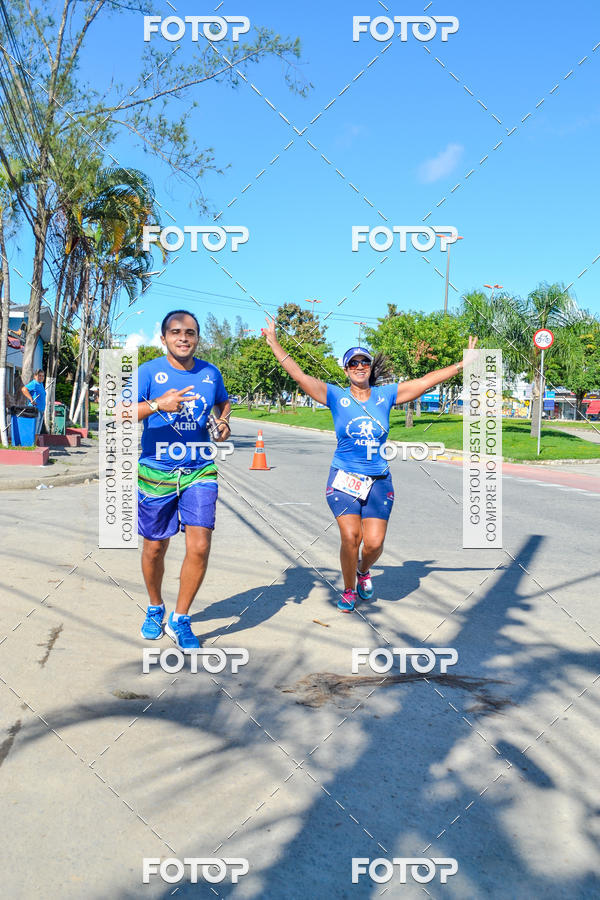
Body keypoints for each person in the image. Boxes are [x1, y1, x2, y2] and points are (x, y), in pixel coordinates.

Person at [263, 317, 478, 612]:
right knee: (351, 536)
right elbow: (299, 375)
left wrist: (462, 365)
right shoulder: (335, 396)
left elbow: (426, 381)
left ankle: (363, 570)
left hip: (378, 480)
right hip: (344, 478)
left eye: (364, 361)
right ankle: (348, 589)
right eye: (353, 363)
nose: (359, 366)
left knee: (374, 544)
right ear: (346, 369)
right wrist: (275, 343)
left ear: (369, 367)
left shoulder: (385, 396)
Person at [135, 310, 231, 650]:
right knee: (154, 547)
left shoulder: (210, 372)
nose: (183, 338)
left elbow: (223, 402)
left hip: (199, 469)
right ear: (163, 338)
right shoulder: (148, 372)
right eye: (176, 332)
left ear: (197, 338)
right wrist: (158, 405)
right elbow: (117, 412)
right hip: (156, 470)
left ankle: (181, 618)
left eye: (190, 332)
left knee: (200, 545)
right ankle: (155, 607)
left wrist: (223, 422)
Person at [21, 369, 46, 435]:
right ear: (35, 376)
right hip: (35, 410)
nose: (41, 377)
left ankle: (35, 441)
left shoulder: (41, 384)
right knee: (33, 430)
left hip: (41, 410)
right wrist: (31, 399)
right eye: (39, 375)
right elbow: (24, 389)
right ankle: (31, 441)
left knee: (38, 431)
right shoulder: (34, 383)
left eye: (43, 376)